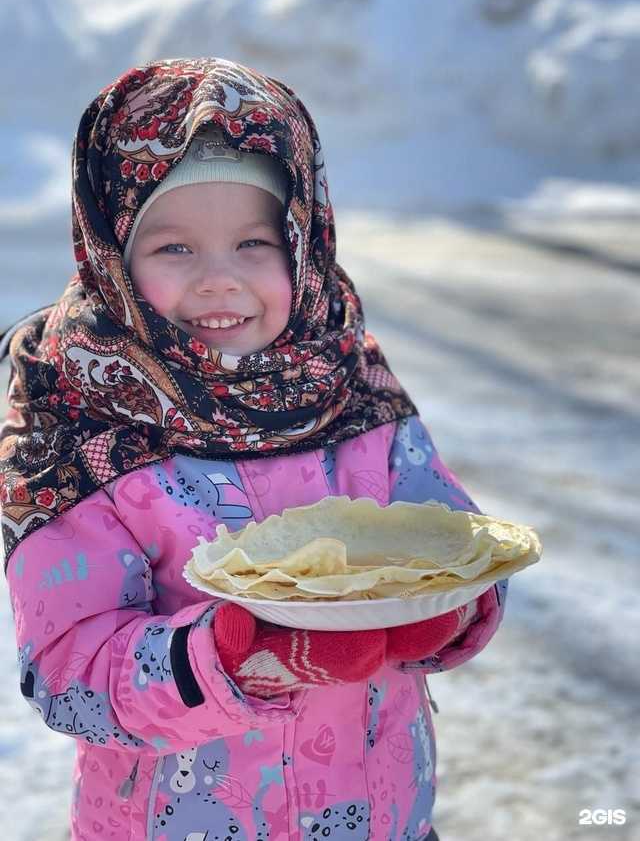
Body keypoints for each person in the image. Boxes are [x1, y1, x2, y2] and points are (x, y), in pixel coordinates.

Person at [0, 57, 508, 840]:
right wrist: (225, 654)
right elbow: (66, 670)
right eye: (174, 248)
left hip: (381, 818)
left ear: (304, 239)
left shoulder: (348, 378)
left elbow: (449, 535)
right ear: (108, 248)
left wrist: (457, 606)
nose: (219, 280)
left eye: (252, 243)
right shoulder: (78, 417)